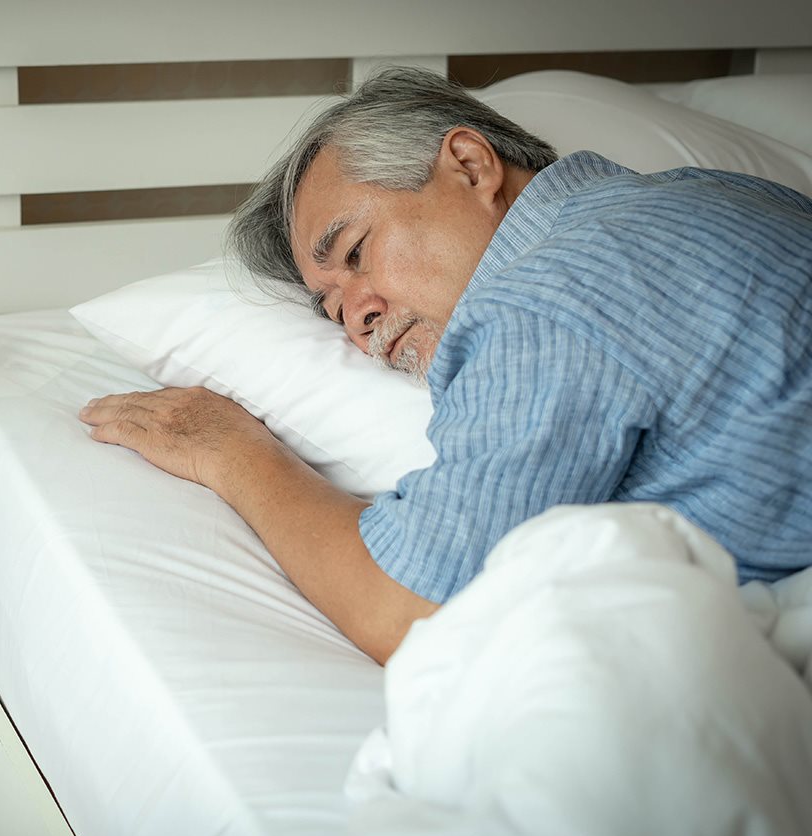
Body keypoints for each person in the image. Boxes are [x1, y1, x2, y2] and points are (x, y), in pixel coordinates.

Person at [79, 67, 812, 664]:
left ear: (469, 164)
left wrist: (231, 450)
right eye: (333, 311)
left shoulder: (542, 299)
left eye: (357, 252)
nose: (360, 321)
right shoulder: (709, 196)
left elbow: (411, 607)